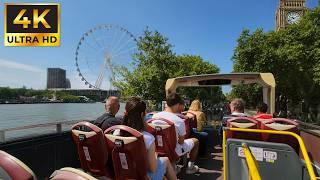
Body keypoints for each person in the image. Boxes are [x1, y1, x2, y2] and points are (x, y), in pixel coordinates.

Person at [123, 97, 177, 180]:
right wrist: (154, 156)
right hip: (143, 177)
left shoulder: (116, 133)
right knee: (165, 160)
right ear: (142, 114)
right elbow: (153, 168)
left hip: (125, 175)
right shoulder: (147, 138)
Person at [153, 93, 199, 174]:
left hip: (158, 149)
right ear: (178, 104)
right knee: (196, 141)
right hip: (173, 151)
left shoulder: (154, 117)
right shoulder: (178, 121)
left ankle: (175, 166)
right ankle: (190, 168)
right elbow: (181, 142)